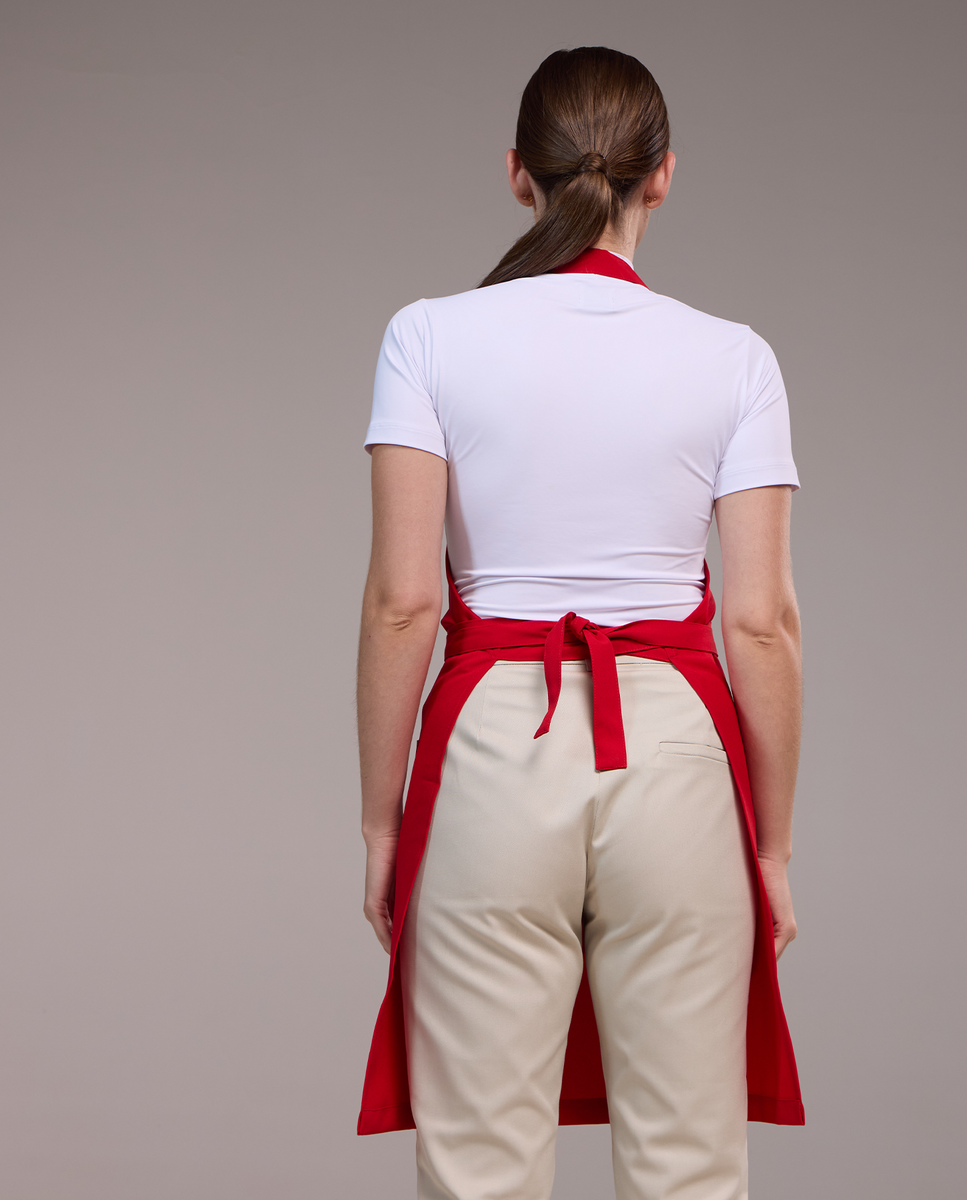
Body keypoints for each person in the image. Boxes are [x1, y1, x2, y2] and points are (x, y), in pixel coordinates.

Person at [355, 45, 804, 1200]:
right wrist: (769, 849)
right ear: (665, 175)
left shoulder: (428, 337)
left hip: (492, 748)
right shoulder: (735, 359)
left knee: (480, 1166)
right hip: (678, 755)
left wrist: (382, 826)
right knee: (689, 1164)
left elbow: (405, 603)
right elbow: (761, 625)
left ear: (519, 173)